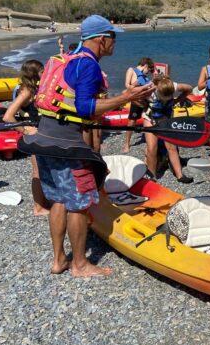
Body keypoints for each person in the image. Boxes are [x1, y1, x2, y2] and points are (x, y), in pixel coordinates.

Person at [18, 15, 156, 277]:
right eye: (112, 37)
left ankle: (59, 260)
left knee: (58, 199)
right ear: (102, 39)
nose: (115, 42)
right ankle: (80, 264)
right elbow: (84, 108)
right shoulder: (89, 65)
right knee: (78, 204)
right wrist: (126, 97)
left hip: (44, 139)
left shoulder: (67, 58)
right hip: (66, 145)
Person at [3, 60, 48, 216]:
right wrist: (24, 130)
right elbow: (7, 117)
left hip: (41, 135)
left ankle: (44, 202)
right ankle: (38, 208)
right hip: (34, 137)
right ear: (33, 74)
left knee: (43, 169)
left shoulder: (34, 88)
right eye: (42, 71)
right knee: (37, 171)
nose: (44, 74)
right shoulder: (26, 91)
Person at [142, 75, 194, 183]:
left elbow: (189, 88)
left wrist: (178, 100)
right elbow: (133, 98)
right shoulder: (150, 90)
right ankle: (152, 177)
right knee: (152, 148)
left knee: (172, 148)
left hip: (167, 119)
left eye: (170, 96)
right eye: (165, 96)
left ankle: (180, 175)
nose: (168, 98)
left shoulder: (173, 86)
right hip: (151, 119)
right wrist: (143, 104)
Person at [123, 57, 155, 153]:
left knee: (150, 119)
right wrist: (135, 84)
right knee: (132, 121)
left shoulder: (145, 77)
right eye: (149, 70)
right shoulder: (131, 70)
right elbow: (127, 85)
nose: (148, 72)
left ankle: (151, 141)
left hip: (146, 100)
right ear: (145, 66)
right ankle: (127, 144)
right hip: (137, 100)